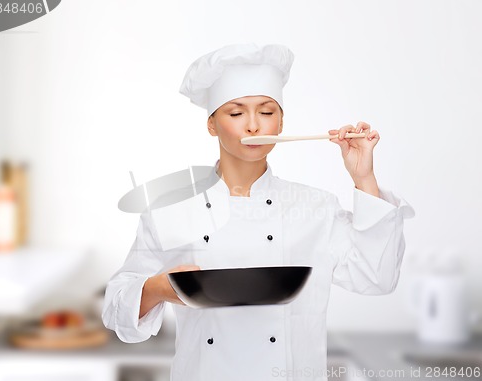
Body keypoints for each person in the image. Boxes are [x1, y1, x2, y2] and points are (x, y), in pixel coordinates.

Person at [102, 43, 415, 381]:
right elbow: (116, 309)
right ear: (211, 124)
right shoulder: (172, 209)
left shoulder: (315, 208)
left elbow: (378, 278)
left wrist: (363, 176)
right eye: (235, 113)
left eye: (266, 112)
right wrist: (161, 288)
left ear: (281, 122)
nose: (253, 126)